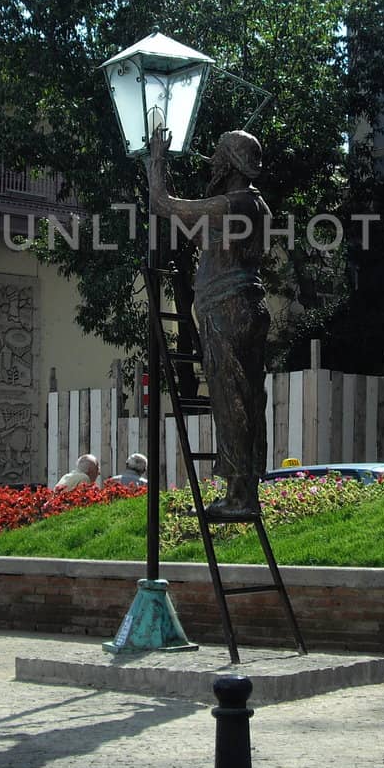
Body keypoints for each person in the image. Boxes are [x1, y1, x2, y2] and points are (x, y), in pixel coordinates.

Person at [149, 127, 270, 521]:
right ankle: (246, 490)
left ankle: (239, 497)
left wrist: (157, 159)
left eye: (219, 155)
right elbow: (193, 229)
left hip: (226, 310)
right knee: (249, 399)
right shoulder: (254, 206)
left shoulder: (233, 204)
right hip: (247, 307)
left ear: (231, 162)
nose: (213, 162)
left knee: (230, 399)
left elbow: (162, 204)